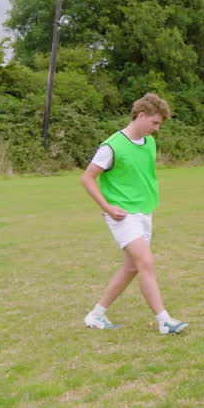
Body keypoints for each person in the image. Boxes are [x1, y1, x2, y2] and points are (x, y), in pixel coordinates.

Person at [80, 93, 187, 334]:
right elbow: (87, 178)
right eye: (155, 123)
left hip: (144, 213)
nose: (157, 129)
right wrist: (107, 208)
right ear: (140, 116)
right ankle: (164, 320)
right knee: (147, 263)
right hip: (122, 215)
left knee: (132, 268)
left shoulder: (149, 142)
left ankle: (96, 315)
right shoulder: (112, 146)